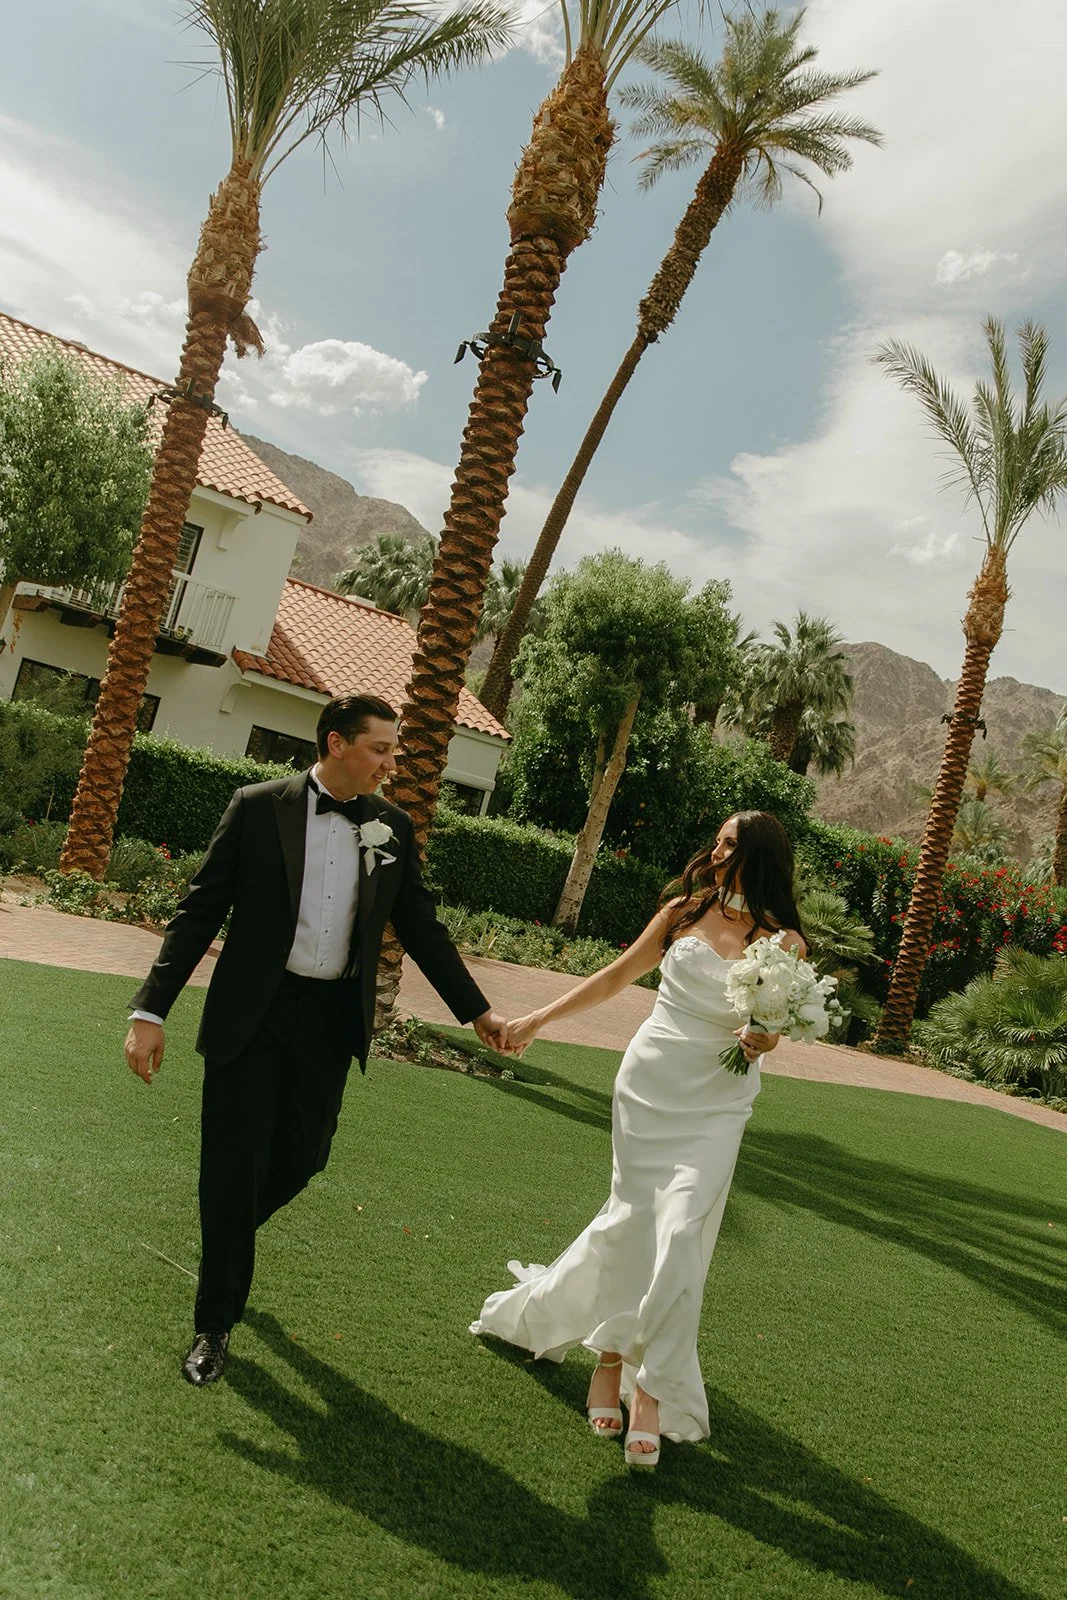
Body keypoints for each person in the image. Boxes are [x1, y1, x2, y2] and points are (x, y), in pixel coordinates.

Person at [125, 692, 511, 1387]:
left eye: (393, 752)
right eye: (380, 750)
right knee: (232, 1166)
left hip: (329, 1022)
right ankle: (214, 1325)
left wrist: (475, 1011)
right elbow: (198, 911)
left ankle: (227, 1239)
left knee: (303, 1159)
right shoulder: (256, 806)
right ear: (336, 744)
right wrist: (150, 1012)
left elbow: (420, 924)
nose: (391, 765)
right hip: (252, 1016)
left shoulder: (390, 827)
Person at [471, 811, 805, 1469]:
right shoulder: (682, 911)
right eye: (715, 837)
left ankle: (649, 1392)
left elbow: (772, 1029)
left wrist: (764, 1038)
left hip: (718, 1099)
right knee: (633, 1222)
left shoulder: (783, 942)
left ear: (757, 856)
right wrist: (536, 1020)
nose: (714, 849)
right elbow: (616, 976)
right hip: (650, 1083)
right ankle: (608, 1361)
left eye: (729, 843)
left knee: (681, 1233)